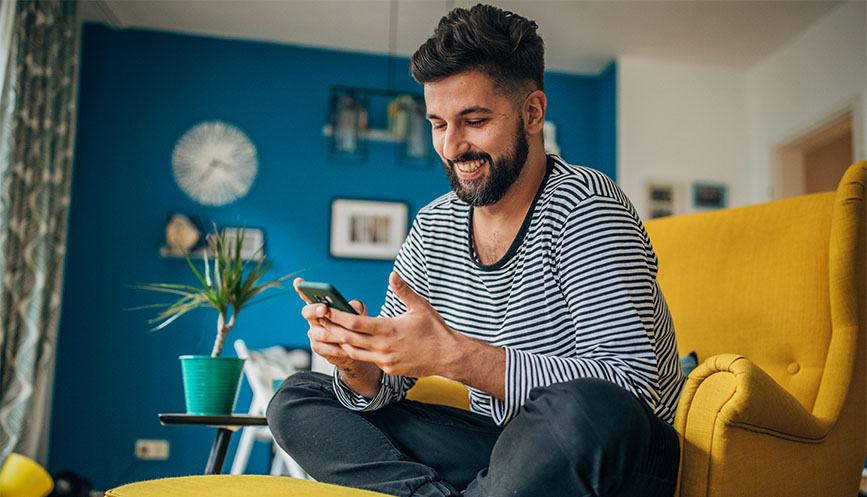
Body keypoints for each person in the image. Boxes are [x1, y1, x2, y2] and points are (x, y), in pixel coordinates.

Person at [267, 4, 685, 497]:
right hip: (504, 449)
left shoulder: (588, 206)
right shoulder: (434, 225)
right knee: (298, 397)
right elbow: (391, 382)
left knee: (579, 408)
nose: (451, 147)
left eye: (474, 120)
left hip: (613, 449)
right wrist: (360, 364)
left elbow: (631, 391)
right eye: (439, 124)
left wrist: (456, 358)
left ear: (533, 113)